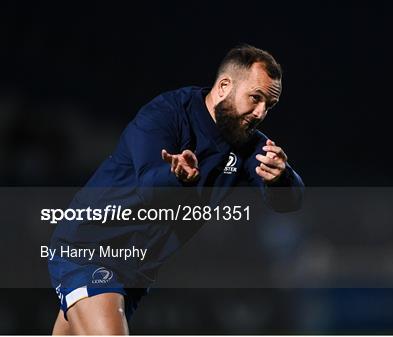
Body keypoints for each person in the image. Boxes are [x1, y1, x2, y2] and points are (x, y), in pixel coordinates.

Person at [48, 44, 304, 334]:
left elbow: (290, 202)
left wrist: (280, 178)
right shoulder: (166, 114)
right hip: (90, 247)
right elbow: (147, 188)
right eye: (255, 98)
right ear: (223, 87)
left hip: (136, 269)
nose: (260, 113)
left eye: (268, 106)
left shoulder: (249, 144)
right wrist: (178, 178)